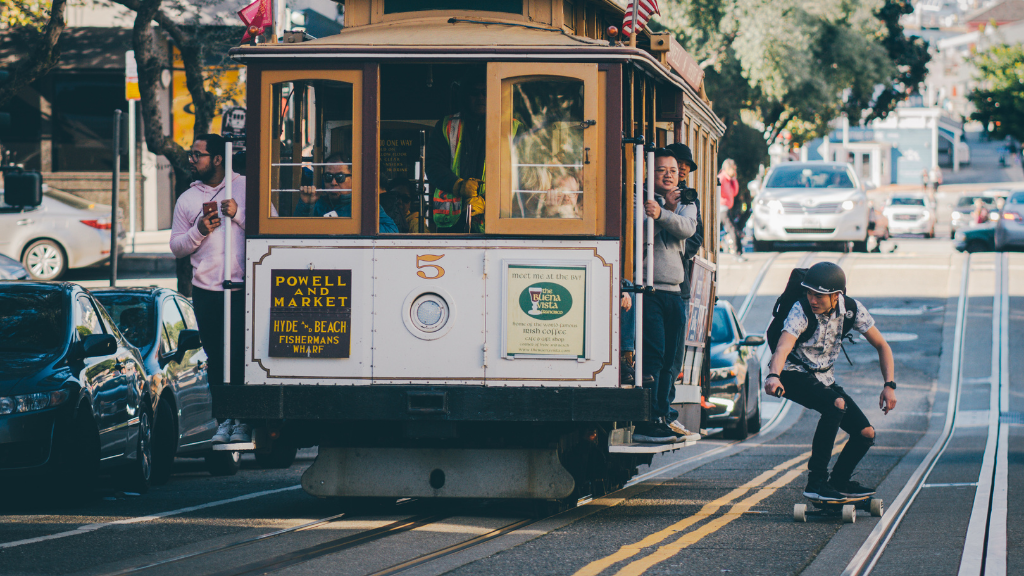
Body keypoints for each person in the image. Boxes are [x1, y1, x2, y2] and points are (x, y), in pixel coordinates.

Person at [764, 262, 897, 500]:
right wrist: (774, 376)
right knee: (836, 405)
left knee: (865, 433)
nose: (813, 300)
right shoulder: (801, 309)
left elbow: (882, 345)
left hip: (823, 377)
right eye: (809, 293)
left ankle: (839, 481)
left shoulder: (852, 310)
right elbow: (783, 347)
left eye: (820, 296)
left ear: (837, 296)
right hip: (791, 373)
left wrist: (889, 385)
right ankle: (816, 483)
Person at [169, 134, 249, 444]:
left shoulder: (244, 187)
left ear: (217, 158)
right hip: (207, 289)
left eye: (197, 155)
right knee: (216, 357)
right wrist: (199, 230)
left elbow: (273, 224)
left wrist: (237, 213)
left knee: (242, 356)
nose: (191, 159)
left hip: (244, 287)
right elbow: (176, 247)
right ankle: (224, 420)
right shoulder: (187, 200)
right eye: (191, 154)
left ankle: (244, 420)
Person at [633, 148, 699, 444]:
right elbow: (639, 234)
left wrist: (663, 213)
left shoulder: (685, 200)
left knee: (672, 358)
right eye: (662, 170)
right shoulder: (639, 197)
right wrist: (660, 210)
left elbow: (687, 229)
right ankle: (647, 419)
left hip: (675, 291)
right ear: (649, 171)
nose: (670, 175)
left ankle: (661, 415)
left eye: (673, 170)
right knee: (654, 355)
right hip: (649, 290)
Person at [663, 143, 703, 440]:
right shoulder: (653, 195)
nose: (680, 175)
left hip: (679, 285)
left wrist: (675, 247)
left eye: (683, 171)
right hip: (653, 282)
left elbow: (694, 236)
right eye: (678, 168)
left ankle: (667, 411)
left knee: (674, 355)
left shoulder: (688, 201)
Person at [426, 70, 487, 233]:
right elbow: (433, 166)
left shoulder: (510, 128)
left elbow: (519, 176)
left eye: (486, 92)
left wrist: (488, 202)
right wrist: (459, 186)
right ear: (465, 96)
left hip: (494, 221)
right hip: (452, 224)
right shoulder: (446, 126)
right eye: (474, 93)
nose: (481, 97)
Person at [717, 158, 740, 255]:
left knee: (728, 229)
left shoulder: (729, 179)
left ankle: (735, 251)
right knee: (732, 229)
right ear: (727, 168)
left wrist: (734, 180)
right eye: (733, 169)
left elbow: (734, 192)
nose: (734, 172)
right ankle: (737, 252)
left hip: (727, 208)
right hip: (723, 208)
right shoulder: (721, 178)